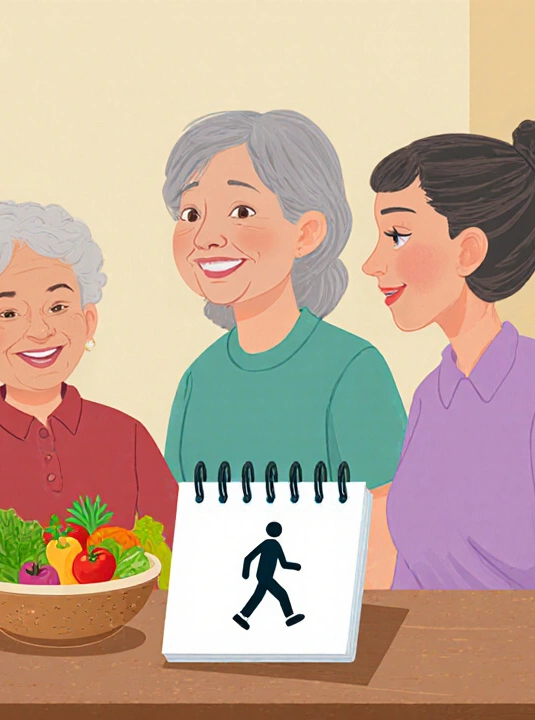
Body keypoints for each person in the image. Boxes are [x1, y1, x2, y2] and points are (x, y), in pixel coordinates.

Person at [363, 119, 535, 590]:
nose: (372, 263)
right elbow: (413, 578)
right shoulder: (429, 396)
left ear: (468, 250)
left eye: (398, 235)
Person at [162, 110, 407, 588]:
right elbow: (182, 532)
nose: (207, 237)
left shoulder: (353, 370)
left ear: (307, 232)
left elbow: (388, 525)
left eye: (242, 212)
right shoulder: (198, 381)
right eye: (190, 214)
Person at [0, 201, 178, 587]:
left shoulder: (128, 436)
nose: (40, 331)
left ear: (88, 322)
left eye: (57, 306)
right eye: (8, 314)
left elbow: (179, 552)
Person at [235, 522, 303, 629]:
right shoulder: (271, 544)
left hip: (264, 576)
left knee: (258, 597)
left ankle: (242, 616)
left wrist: (296, 566)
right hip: (265, 576)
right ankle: (289, 616)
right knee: (282, 594)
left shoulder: (271, 544)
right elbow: (248, 558)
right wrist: (245, 573)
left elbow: (283, 564)